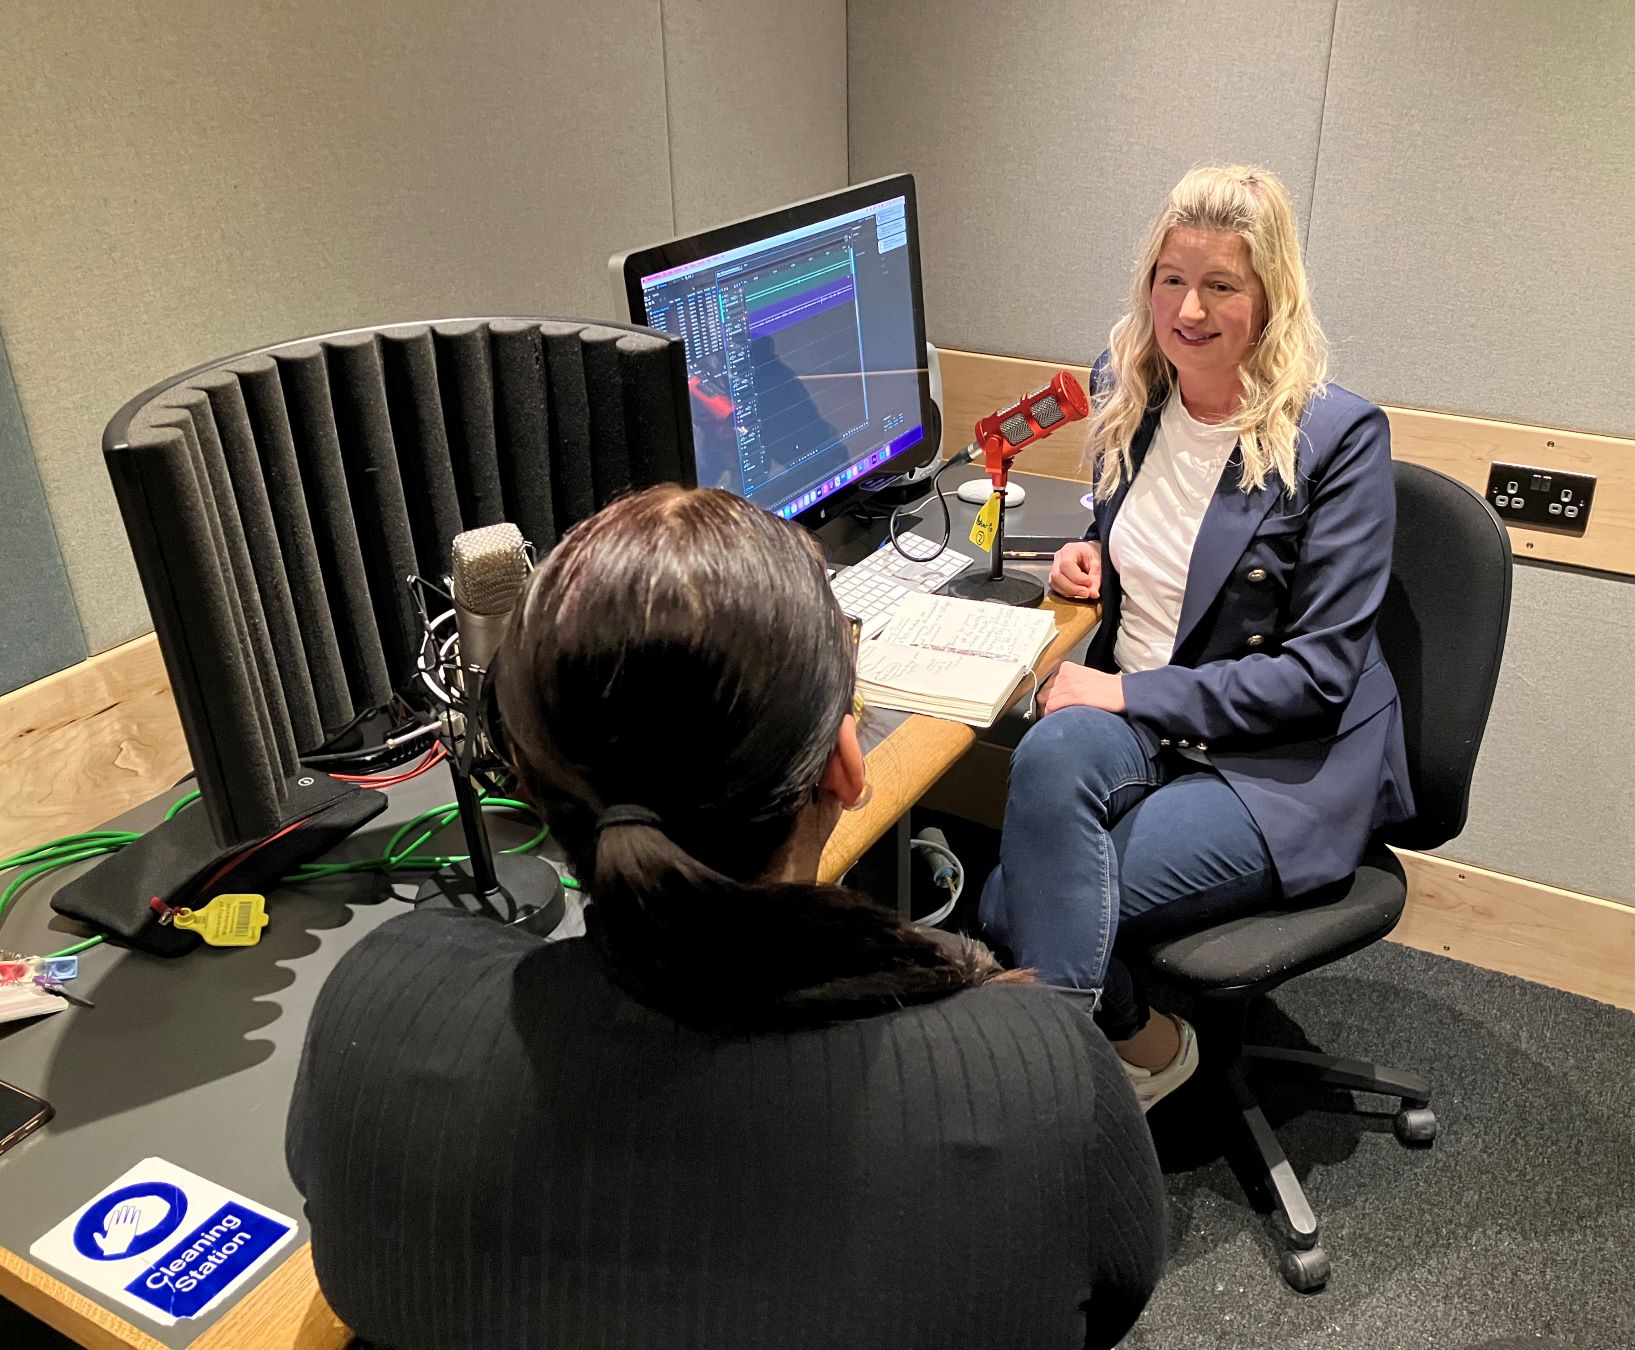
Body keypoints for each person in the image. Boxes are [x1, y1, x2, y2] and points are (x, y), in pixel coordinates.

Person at [286, 486, 1167, 1350]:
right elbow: (1112, 1299)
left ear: (527, 783)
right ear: (844, 769)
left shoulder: (376, 1010)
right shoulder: (1039, 1074)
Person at [979, 165, 1415, 1110]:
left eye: (1222, 284)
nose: (1189, 309)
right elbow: (1147, 538)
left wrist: (1126, 694)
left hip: (1272, 760)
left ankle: (1066, 1096)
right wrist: (1087, 558)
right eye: (1171, 279)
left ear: (1271, 296)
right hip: (1141, 718)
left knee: (1018, 904)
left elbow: (1316, 674)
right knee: (1049, 760)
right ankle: (1136, 1044)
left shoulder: (1336, 438)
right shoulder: (1131, 385)